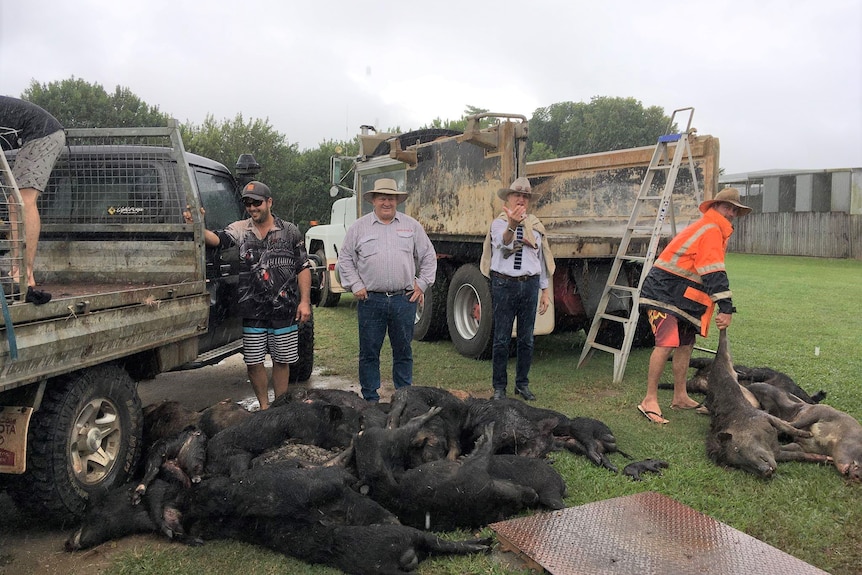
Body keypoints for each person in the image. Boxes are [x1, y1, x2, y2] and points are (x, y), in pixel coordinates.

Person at [637, 187, 752, 424]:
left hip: (684, 296)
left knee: (686, 345)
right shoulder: (711, 230)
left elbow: (707, 270)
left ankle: (680, 396)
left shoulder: (715, 230)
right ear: (715, 207)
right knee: (667, 343)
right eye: (727, 207)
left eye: (734, 209)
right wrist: (726, 308)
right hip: (664, 292)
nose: (731, 212)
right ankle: (649, 399)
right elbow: (713, 271)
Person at [196, 180, 312, 410]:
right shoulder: (240, 229)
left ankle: (279, 407)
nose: (252, 207)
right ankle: (264, 407)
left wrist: (305, 301)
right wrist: (197, 224)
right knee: (253, 361)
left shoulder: (289, 231)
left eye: (257, 203)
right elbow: (217, 240)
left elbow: (303, 266)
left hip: (284, 308)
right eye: (248, 203)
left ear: (269, 202)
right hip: (252, 310)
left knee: (282, 360)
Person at [337, 178, 437, 402]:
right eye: (382, 198)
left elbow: (429, 256)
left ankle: (404, 397)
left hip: (404, 300)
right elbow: (345, 259)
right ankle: (370, 400)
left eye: (391, 198)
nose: (387, 203)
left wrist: (421, 285)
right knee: (369, 352)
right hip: (371, 300)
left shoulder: (411, 226)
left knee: (403, 352)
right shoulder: (359, 228)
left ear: (397, 201)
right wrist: (356, 284)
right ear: (373, 200)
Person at [480, 177, 555, 401]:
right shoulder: (500, 223)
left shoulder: (536, 225)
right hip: (505, 284)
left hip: (530, 284)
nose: (521, 199)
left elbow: (540, 259)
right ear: (509, 198)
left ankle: (522, 384)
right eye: (517, 195)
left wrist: (544, 290)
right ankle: (499, 387)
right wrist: (513, 225)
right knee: (502, 338)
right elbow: (504, 244)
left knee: (526, 339)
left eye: (525, 196)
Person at [0, 96, 66, 305]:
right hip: (33, 136)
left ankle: (24, 274)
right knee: (15, 200)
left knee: (22, 199)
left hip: (43, 134)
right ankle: (19, 271)